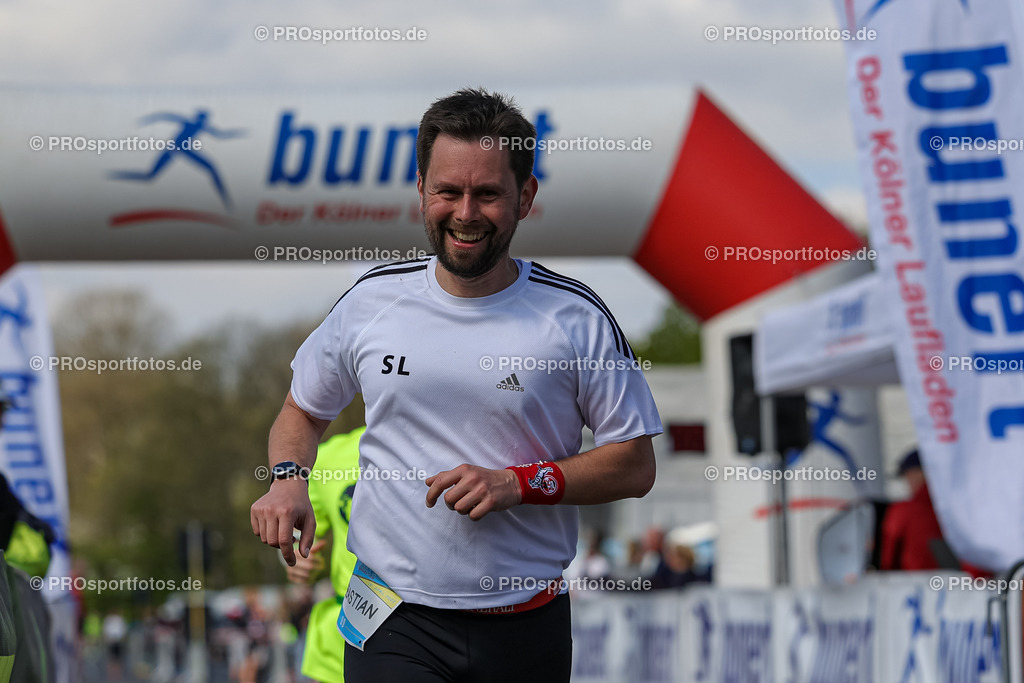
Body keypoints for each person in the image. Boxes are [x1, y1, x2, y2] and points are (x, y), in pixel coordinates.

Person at [251, 87, 661, 683]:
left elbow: (635, 463)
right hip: (393, 619)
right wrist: (288, 480)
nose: (465, 213)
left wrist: (520, 484)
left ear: (525, 195)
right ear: (421, 189)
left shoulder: (575, 318)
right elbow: (301, 412)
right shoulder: (372, 302)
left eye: (488, 193)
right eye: (448, 191)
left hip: (527, 625)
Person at [283, 427, 364, 683]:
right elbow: (299, 537)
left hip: (437, 631)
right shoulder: (328, 458)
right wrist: (295, 559)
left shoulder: (457, 443)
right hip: (341, 642)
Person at [880, 449, 944, 571]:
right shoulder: (961, 508)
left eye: (907, 475)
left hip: (916, 584)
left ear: (919, 473)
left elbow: (887, 559)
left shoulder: (904, 511)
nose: (907, 481)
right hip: (964, 583)